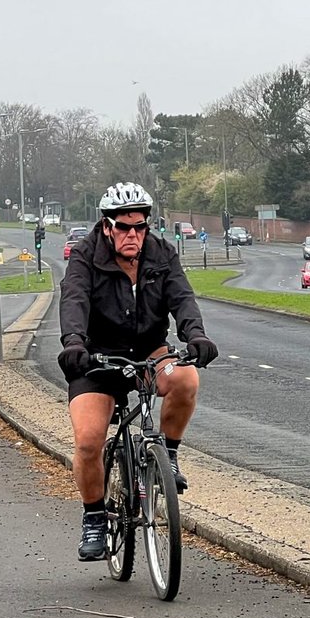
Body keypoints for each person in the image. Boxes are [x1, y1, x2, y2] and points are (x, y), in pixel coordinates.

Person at [57, 182, 218, 562]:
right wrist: (74, 345)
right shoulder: (85, 257)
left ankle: (169, 455)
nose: (134, 235)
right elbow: (74, 298)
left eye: (141, 226)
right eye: (125, 227)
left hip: (148, 350)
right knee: (88, 441)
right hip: (96, 358)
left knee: (185, 378)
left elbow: (182, 297)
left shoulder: (162, 254)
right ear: (107, 226)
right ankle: (94, 517)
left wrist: (196, 335)